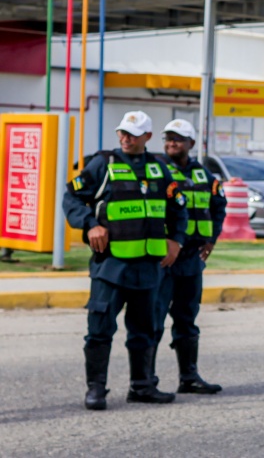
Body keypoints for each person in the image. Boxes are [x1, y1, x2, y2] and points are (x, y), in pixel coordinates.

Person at [63, 111, 188, 410]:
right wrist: (90, 223)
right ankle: (95, 390)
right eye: (122, 132)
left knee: (147, 330)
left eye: (132, 133)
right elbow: (72, 197)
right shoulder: (103, 164)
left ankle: (143, 386)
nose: (125, 138)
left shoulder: (160, 169)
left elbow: (177, 207)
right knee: (99, 330)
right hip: (112, 267)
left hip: (149, 268)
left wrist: (177, 240)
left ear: (147, 136)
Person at [153, 119, 226, 394]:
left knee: (186, 319)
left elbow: (219, 207)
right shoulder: (157, 171)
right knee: (153, 320)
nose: (172, 143)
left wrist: (211, 239)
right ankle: (145, 380)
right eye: (168, 138)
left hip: (192, 261)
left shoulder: (205, 177)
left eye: (179, 139)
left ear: (191, 144)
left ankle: (189, 377)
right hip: (162, 259)